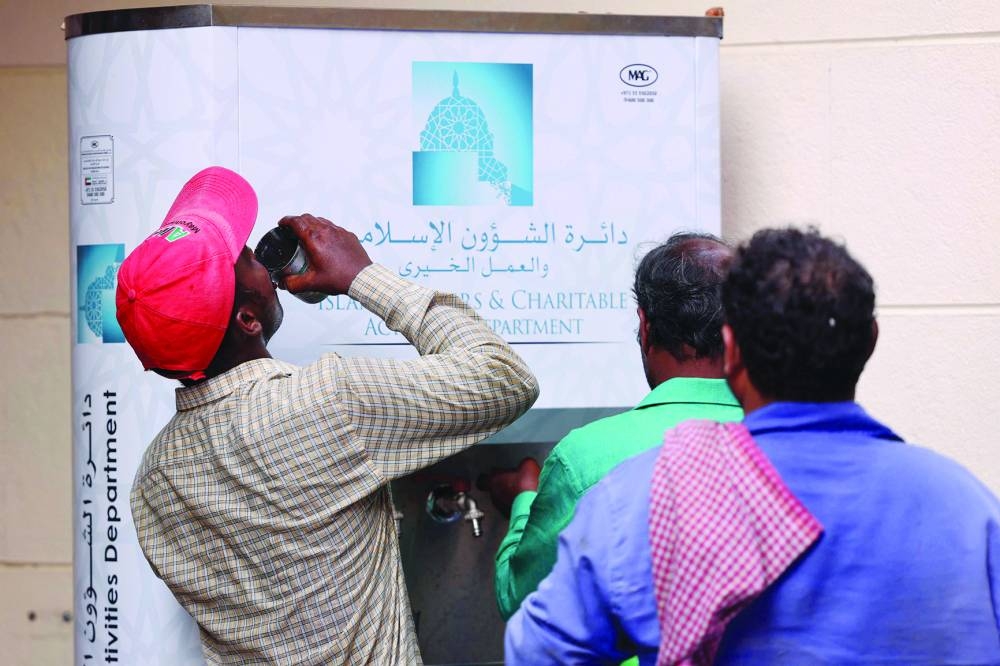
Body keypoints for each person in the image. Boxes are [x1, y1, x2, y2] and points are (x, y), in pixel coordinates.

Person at [505, 227, 1000, 665]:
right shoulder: (970, 510)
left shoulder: (643, 497)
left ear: (732, 349)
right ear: (871, 340)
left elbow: (539, 652)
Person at [117, 167, 539, 664]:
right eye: (247, 257)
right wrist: (363, 276)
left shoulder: (152, 485)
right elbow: (504, 377)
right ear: (247, 319)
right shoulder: (323, 403)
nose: (259, 256)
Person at [490, 232, 743, 621]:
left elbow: (523, 603)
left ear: (645, 327)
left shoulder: (587, 458)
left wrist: (524, 499)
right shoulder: (786, 441)